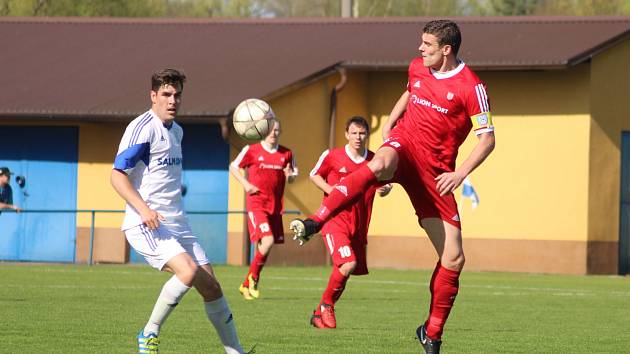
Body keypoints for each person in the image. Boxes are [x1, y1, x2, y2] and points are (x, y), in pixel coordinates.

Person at [290, 20, 495, 354]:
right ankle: (317, 220)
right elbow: (410, 90)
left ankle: (432, 332)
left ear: (446, 49)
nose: (420, 49)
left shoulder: (471, 87)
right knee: (379, 163)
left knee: (454, 258)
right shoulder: (417, 67)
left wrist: (459, 174)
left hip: (436, 173)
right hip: (405, 145)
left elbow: (487, 139)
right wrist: (389, 123)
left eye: (427, 44)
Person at [110, 68, 245, 354]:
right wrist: (145, 210)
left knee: (212, 289)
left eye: (177, 95)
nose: (173, 100)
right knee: (187, 270)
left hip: (177, 224)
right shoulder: (142, 128)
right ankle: (149, 332)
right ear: (153, 96)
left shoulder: (177, 131)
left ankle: (236, 352)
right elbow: (117, 176)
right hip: (145, 223)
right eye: (166, 94)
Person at [306, 116, 392, 329]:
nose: (358, 137)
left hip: (359, 223)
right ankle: (326, 305)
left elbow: (383, 184)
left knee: (346, 270)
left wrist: (385, 190)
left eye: (362, 133)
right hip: (335, 220)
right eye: (354, 133)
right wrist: (334, 192)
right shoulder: (333, 156)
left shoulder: (374, 160)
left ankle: (318, 314)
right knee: (348, 263)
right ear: (346, 134)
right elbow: (314, 175)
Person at [230, 119, 297, 300]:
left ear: (280, 131)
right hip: (257, 204)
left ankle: (246, 284)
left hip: (275, 206)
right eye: (270, 130)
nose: (273, 133)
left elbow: (292, 178)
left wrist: (289, 176)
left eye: (276, 130)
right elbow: (233, 167)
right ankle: (253, 279)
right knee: (267, 241)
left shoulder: (287, 153)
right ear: (262, 131)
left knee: (265, 246)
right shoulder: (251, 150)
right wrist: (246, 185)